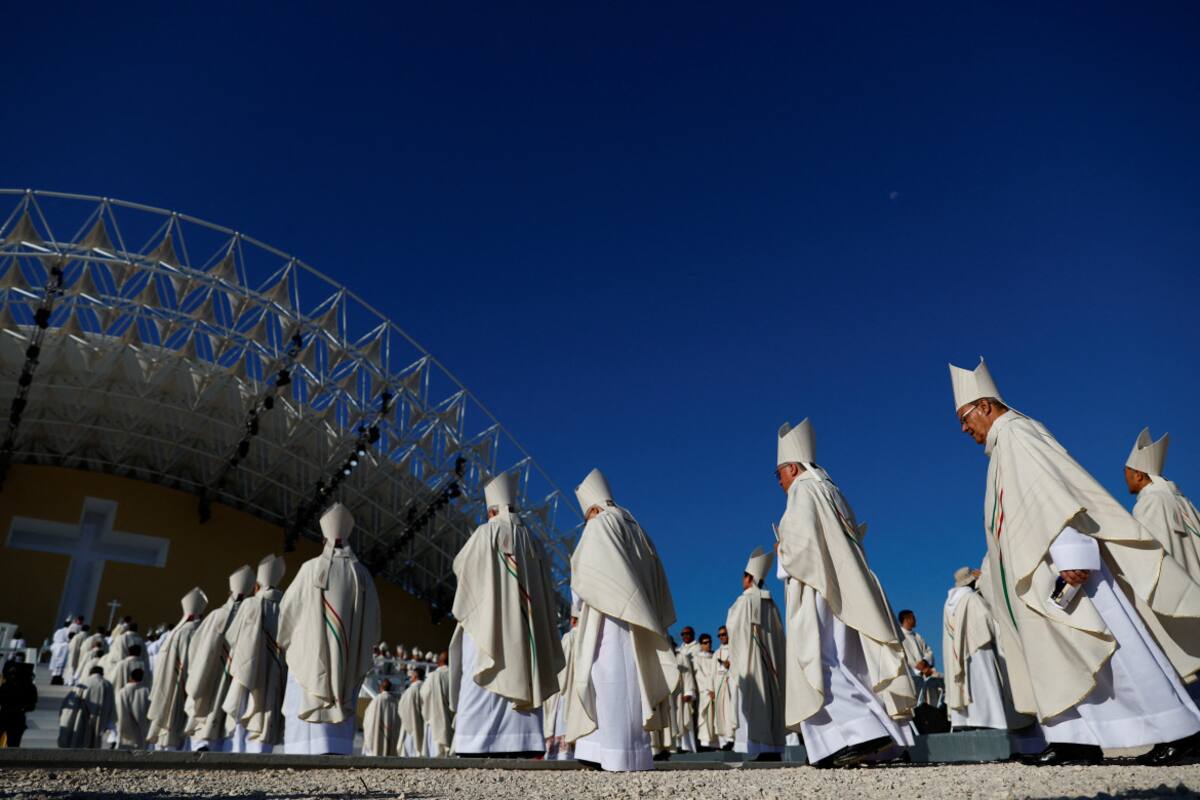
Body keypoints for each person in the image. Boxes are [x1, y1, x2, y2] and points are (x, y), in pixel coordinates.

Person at [949, 357, 1200, 765]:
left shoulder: (1016, 437)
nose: (964, 428)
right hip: (1044, 567)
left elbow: (1053, 499)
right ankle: (1073, 737)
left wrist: (1073, 558)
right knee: (1061, 655)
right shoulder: (1005, 445)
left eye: (965, 417)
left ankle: (1179, 728)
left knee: (1110, 648)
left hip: (1065, 566)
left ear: (987, 406)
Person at [774, 418, 916, 768]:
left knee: (821, 659)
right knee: (852, 662)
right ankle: (870, 743)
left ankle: (863, 734)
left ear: (793, 467)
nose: (779, 482)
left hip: (820, 586)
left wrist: (782, 551)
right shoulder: (832, 489)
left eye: (779, 474)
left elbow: (803, 545)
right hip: (845, 584)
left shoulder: (804, 490)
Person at [563, 468, 678, 772]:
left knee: (608, 681)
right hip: (640, 618)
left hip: (610, 616)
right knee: (630, 684)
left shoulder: (601, 523)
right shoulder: (637, 527)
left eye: (586, 515)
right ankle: (625, 753)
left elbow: (583, 575)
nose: (586, 522)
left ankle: (610, 754)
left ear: (595, 508)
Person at [448, 471, 562, 758]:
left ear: (490, 511)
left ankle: (476, 744)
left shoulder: (485, 533)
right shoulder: (533, 541)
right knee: (522, 670)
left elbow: (462, 567)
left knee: (482, 675)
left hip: (489, 624)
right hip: (525, 631)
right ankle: (521, 741)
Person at [277, 502, 381, 755]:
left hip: (312, 656)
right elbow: (374, 623)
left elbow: (288, 610)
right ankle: (337, 748)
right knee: (343, 689)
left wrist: (288, 640)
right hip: (348, 658)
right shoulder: (362, 574)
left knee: (309, 685)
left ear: (324, 536)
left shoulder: (311, 568)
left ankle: (304, 750)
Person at [222, 553, 288, 753]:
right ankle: (263, 751)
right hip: (276, 666)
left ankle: (240, 753)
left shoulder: (250, 603)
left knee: (246, 708)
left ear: (257, 585)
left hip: (249, 666)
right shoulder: (286, 605)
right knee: (268, 708)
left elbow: (232, 636)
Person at [185, 564, 255, 751]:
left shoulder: (215, 616)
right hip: (237, 674)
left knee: (209, 706)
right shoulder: (253, 616)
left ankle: (204, 745)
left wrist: (200, 669)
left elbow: (196, 648)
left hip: (211, 673)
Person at [726, 546, 787, 760]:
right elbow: (779, 635)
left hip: (751, 660)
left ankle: (760, 747)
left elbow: (734, 629)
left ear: (749, 578)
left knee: (755, 701)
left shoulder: (744, 601)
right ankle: (773, 749)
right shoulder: (771, 603)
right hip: (771, 662)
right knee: (770, 701)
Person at [1126, 428, 1200, 582]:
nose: (1125, 478)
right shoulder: (1185, 502)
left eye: (1127, 472)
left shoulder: (1150, 501)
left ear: (1138, 475)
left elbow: (1144, 551)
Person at [147, 587, 208, 751]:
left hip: (174, 681)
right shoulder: (202, 629)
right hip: (193, 681)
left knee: (171, 721)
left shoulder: (180, 632)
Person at [544, 600, 581, 760]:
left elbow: (560, 669)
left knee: (563, 721)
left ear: (572, 620)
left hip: (567, 691)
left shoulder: (569, 637)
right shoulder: (592, 637)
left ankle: (562, 753)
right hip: (583, 692)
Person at [58, 665, 116, 748]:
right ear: (102, 673)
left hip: (82, 716)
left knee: (80, 736)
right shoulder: (107, 684)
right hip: (100, 717)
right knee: (94, 739)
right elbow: (111, 705)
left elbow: (69, 701)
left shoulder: (84, 682)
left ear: (90, 673)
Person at [421, 651, 453, 757]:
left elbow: (424, 695)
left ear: (439, 661)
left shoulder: (433, 676)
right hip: (451, 715)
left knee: (435, 750)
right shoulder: (455, 675)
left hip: (435, 717)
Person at [674, 626, 699, 753]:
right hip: (674, 693)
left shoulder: (697, 649)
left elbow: (688, 674)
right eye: (683, 634)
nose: (685, 636)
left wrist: (689, 691)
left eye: (688, 633)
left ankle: (688, 746)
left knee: (688, 717)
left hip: (693, 687)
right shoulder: (679, 650)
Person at [0, 660, 37, 747]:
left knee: (13, 744)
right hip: (18, 719)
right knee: (13, 745)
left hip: (4, 716)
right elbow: (32, 706)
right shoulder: (30, 687)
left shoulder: (7, 685)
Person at [692, 633, 719, 750]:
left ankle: (716, 743)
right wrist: (709, 688)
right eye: (705, 643)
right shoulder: (697, 658)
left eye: (709, 642)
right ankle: (705, 743)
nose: (708, 645)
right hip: (704, 692)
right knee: (704, 717)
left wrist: (715, 688)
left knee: (715, 717)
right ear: (701, 644)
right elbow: (699, 676)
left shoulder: (715, 656)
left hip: (715, 690)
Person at [362, 678, 400, 756]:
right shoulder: (395, 702)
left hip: (377, 733)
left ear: (381, 688)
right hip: (390, 732)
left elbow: (368, 718)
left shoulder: (376, 700)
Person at [115, 668, 151, 750]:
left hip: (124, 729)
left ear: (130, 677)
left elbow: (119, 711)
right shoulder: (147, 691)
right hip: (142, 729)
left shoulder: (122, 691)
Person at [713, 625, 735, 748]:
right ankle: (725, 741)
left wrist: (730, 666)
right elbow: (712, 674)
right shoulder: (716, 653)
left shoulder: (735, 650)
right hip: (720, 687)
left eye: (724, 634)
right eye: (719, 635)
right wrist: (711, 689)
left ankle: (734, 738)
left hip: (732, 686)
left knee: (731, 712)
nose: (722, 637)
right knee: (722, 713)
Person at [898, 611, 936, 679]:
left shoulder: (917, 636)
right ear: (907, 620)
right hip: (910, 676)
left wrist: (924, 661)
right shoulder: (898, 636)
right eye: (913, 618)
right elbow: (902, 657)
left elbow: (929, 652)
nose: (915, 620)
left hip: (925, 674)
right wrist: (919, 669)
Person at [398, 667, 425, 757]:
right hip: (423, 726)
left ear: (415, 676)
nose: (410, 678)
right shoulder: (426, 686)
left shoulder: (410, 690)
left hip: (410, 728)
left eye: (412, 675)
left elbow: (402, 708)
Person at [48, 617, 77, 686]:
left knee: (56, 664)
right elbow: (69, 638)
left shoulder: (58, 631)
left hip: (56, 647)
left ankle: (55, 677)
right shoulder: (69, 631)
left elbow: (55, 638)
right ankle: (58, 678)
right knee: (62, 663)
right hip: (64, 647)